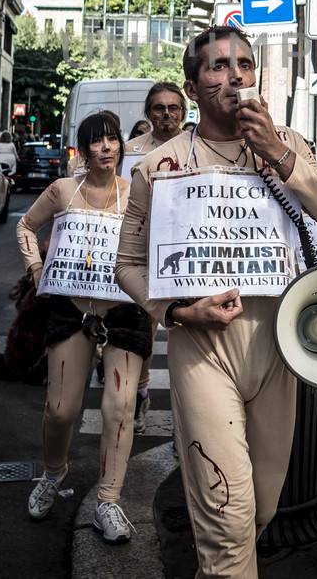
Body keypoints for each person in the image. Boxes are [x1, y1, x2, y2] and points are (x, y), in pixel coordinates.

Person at [115, 26, 317, 577]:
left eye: (245, 65)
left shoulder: (288, 144)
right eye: (219, 67)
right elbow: (127, 265)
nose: (235, 77)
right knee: (227, 517)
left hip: (280, 350)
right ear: (194, 85)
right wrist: (176, 312)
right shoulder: (158, 165)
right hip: (204, 351)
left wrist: (277, 152)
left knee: (262, 509)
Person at [18, 110, 149, 545]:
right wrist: (36, 266)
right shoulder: (61, 191)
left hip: (124, 311)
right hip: (70, 308)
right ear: (84, 147)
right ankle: (53, 473)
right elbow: (25, 225)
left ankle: (108, 500)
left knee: (121, 406)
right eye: (97, 141)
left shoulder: (136, 194)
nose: (107, 148)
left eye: (113, 140)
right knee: (61, 409)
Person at [120, 80, 187, 426]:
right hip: (141, 255)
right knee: (142, 330)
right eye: (159, 108)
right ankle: (141, 394)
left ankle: (184, 424)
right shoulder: (130, 152)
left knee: (185, 340)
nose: (166, 114)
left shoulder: (195, 147)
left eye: (173, 107)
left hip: (183, 256)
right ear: (149, 112)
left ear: (183, 112)